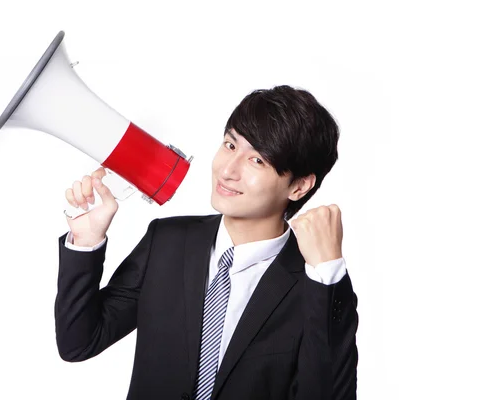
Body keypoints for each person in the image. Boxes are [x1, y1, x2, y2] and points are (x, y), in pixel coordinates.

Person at [55, 85, 358, 399]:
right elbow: (79, 342)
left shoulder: (319, 289)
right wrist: (85, 241)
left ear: (298, 186)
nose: (227, 170)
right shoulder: (166, 242)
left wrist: (327, 272)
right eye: (230, 144)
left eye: (257, 161)